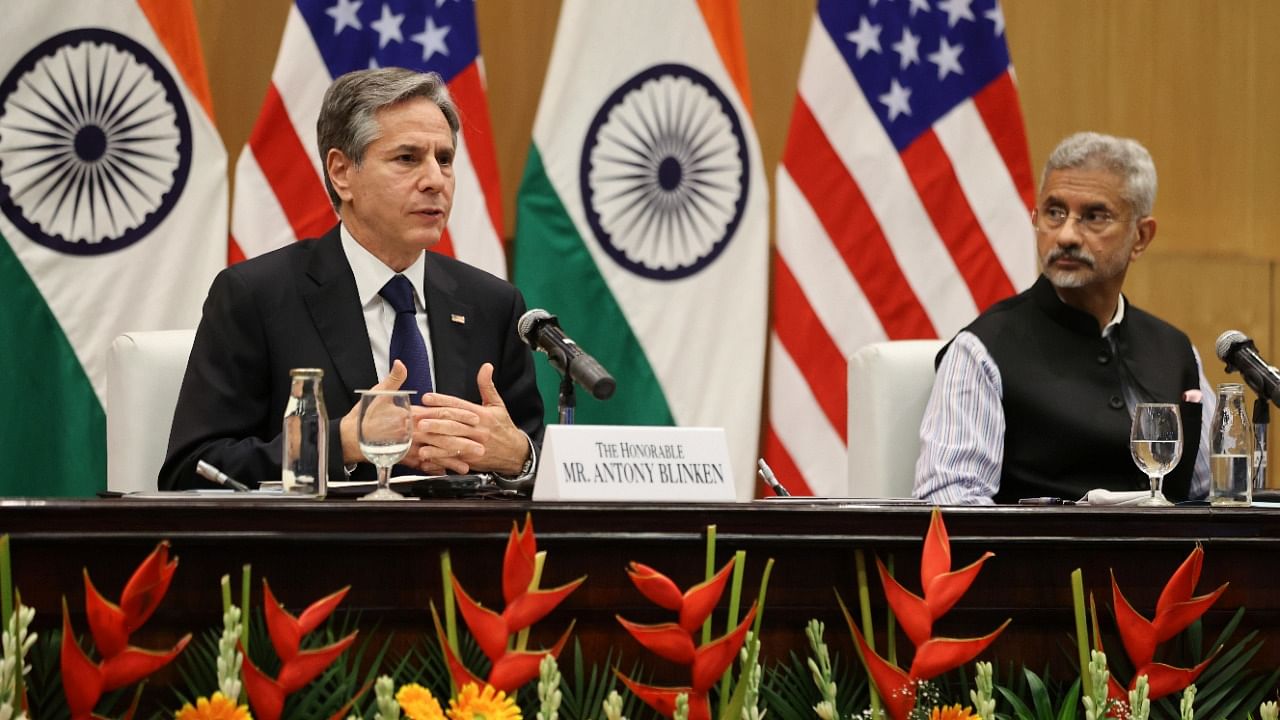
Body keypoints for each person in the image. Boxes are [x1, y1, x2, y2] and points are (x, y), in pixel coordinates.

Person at [160, 68, 542, 490]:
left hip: (465, 550)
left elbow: (538, 457)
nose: (436, 180)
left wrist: (519, 457)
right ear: (342, 173)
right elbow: (191, 469)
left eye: (445, 159)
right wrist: (340, 441)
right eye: (407, 158)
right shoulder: (258, 297)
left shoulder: (491, 303)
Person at [913, 131, 1213, 505]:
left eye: (1094, 216)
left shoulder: (1176, 352)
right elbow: (950, 507)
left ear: (1140, 237)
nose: (1067, 235)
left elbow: (1215, 500)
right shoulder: (982, 352)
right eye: (1055, 213)